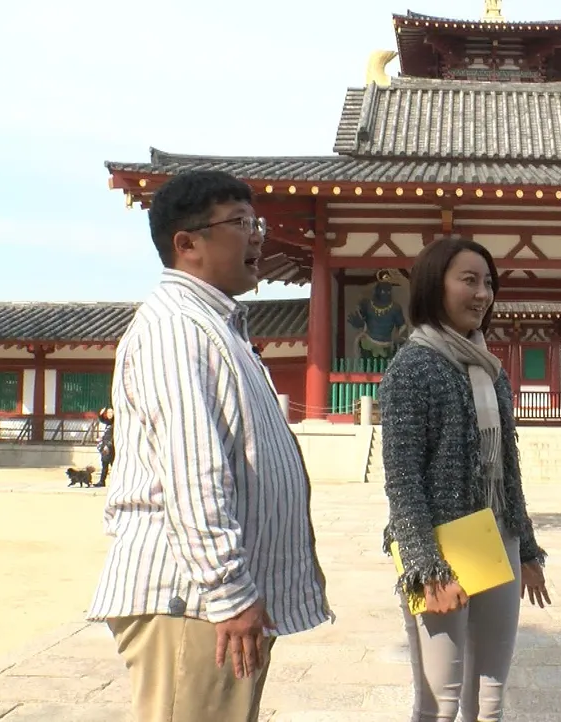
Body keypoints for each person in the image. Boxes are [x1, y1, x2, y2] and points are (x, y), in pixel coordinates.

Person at [85, 169, 332, 722]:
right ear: (187, 243)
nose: (258, 236)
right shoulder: (177, 327)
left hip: (205, 603)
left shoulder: (216, 325)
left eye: (258, 222)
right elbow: (192, 471)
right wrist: (228, 593)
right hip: (191, 600)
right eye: (241, 223)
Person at [378, 236, 551, 722]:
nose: (482, 294)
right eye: (469, 280)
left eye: (488, 283)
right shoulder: (411, 369)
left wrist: (530, 550)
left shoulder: (491, 370)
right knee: (439, 703)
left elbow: (508, 469)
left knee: (490, 699)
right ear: (436, 286)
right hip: (440, 546)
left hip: (500, 537)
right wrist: (428, 568)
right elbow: (403, 481)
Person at [94, 407, 114, 487]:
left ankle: (118, 482)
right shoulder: (109, 423)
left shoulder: (115, 423)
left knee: (114, 466)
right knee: (104, 465)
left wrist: (108, 446)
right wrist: (101, 414)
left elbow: (114, 436)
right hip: (105, 446)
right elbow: (103, 420)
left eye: (111, 412)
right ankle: (102, 482)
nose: (109, 414)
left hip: (111, 448)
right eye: (108, 412)